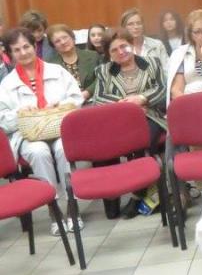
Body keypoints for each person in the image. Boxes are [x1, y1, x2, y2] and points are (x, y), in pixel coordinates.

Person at [0, 27, 84, 235]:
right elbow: (2, 119)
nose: (23, 52)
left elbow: (76, 98)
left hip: (59, 128)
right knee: (39, 152)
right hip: (28, 135)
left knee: (63, 149)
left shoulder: (57, 71)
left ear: (34, 47)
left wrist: (60, 105)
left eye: (26, 46)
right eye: (17, 50)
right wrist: (20, 113)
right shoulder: (7, 84)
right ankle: (53, 209)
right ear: (10, 54)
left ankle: (72, 205)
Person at [92, 28, 167, 218]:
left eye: (123, 46)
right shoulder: (103, 71)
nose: (121, 52)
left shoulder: (152, 63)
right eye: (114, 50)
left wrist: (141, 98)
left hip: (150, 116)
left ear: (131, 44)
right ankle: (112, 195)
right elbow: (98, 98)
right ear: (108, 54)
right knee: (103, 145)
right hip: (118, 120)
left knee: (140, 140)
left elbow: (163, 89)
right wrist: (126, 105)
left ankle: (137, 194)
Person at [48, 24, 100, 101]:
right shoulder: (51, 65)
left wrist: (87, 92)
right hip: (67, 103)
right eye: (57, 41)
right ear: (53, 46)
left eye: (65, 37)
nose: (63, 42)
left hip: (93, 100)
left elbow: (101, 78)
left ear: (72, 37)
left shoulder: (93, 56)